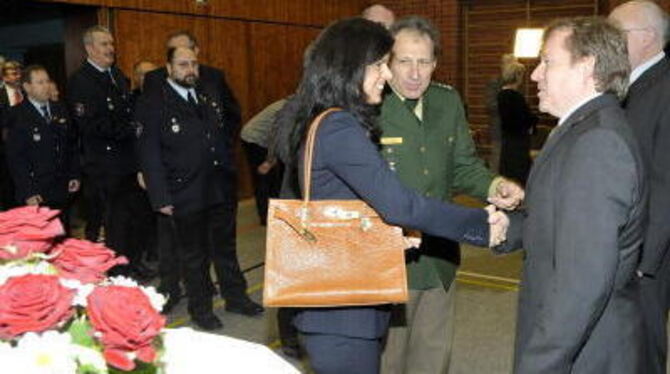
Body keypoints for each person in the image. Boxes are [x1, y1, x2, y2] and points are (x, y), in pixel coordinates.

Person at [274, 18, 507, 374]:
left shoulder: (324, 118)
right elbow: (401, 205)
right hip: (344, 311)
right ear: (352, 68)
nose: (387, 75)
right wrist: (481, 225)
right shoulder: (340, 126)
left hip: (345, 295)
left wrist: (388, 235)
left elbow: (348, 206)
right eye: (381, 64)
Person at [494, 17, 647, 373]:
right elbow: (561, 222)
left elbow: (583, 281)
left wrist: (539, 363)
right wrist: (507, 228)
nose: (535, 75)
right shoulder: (582, 130)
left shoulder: (598, 143)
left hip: (585, 353)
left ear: (587, 67)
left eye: (547, 61)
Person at [377, 16, 523, 374]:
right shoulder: (368, 105)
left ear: (435, 64)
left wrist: (494, 186)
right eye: (404, 61)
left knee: (432, 359)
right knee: (385, 361)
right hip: (387, 263)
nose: (415, 72)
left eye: (424, 61)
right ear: (386, 64)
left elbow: (463, 165)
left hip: (439, 259)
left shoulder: (447, 101)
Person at [136, 46, 264, 329]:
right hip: (184, 191)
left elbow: (222, 132)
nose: (190, 70)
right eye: (182, 65)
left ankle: (236, 297)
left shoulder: (207, 93)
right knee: (194, 256)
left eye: (193, 64)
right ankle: (201, 308)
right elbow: (149, 153)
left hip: (218, 186)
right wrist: (160, 197)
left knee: (226, 248)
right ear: (168, 68)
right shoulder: (154, 103)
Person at [609, 2, 670, 373]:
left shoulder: (665, 89)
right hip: (626, 245)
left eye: (617, 33)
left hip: (648, 255)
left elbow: (666, 182)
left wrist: (643, 262)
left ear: (647, 37)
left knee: (644, 345)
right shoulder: (632, 85)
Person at [67, 25, 149, 279]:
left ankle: (134, 262)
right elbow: (90, 124)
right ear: (89, 48)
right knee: (116, 223)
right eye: (104, 44)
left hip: (128, 162)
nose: (110, 49)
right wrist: (129, 128)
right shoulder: (80, 81)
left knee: (136, 217)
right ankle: (118, 269)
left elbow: (128, 110)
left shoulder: (116, 75)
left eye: (111, 44)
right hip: (105, 165)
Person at [5, 65, 79, 231]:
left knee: (63, 235)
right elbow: (16, 159)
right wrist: (28, 191)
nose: (46, 85)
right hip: (37, 190)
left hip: (61, 187)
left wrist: (74, 174)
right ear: (27, 87)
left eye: (47, 81)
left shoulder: (60, 109)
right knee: (42, 239)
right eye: (40, 82)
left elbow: (71, 145)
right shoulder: (17, 115)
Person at [240, 98, 286, 225]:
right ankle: (265, 217)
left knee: (273, 179)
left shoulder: (292, 104)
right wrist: (269, 161)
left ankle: (275, 212)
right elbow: (278, 137)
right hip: (253, 139)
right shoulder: (287, 110)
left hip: (265, 139)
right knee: (263, 178)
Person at [497, 58, 537, 185]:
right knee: (520, 174)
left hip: (508, 139)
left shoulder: (501, 94)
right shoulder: (515, 96)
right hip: (518, 140)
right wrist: (533, 120)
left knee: (509, 172)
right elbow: (524, 119)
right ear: (517, 76)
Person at [0, 61, 23, 211]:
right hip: (6, 151)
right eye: (13, 73)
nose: (18, 76)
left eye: (19, 72)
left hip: (30, 148)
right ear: (4, 77)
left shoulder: (27, 92)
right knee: (9, 189)